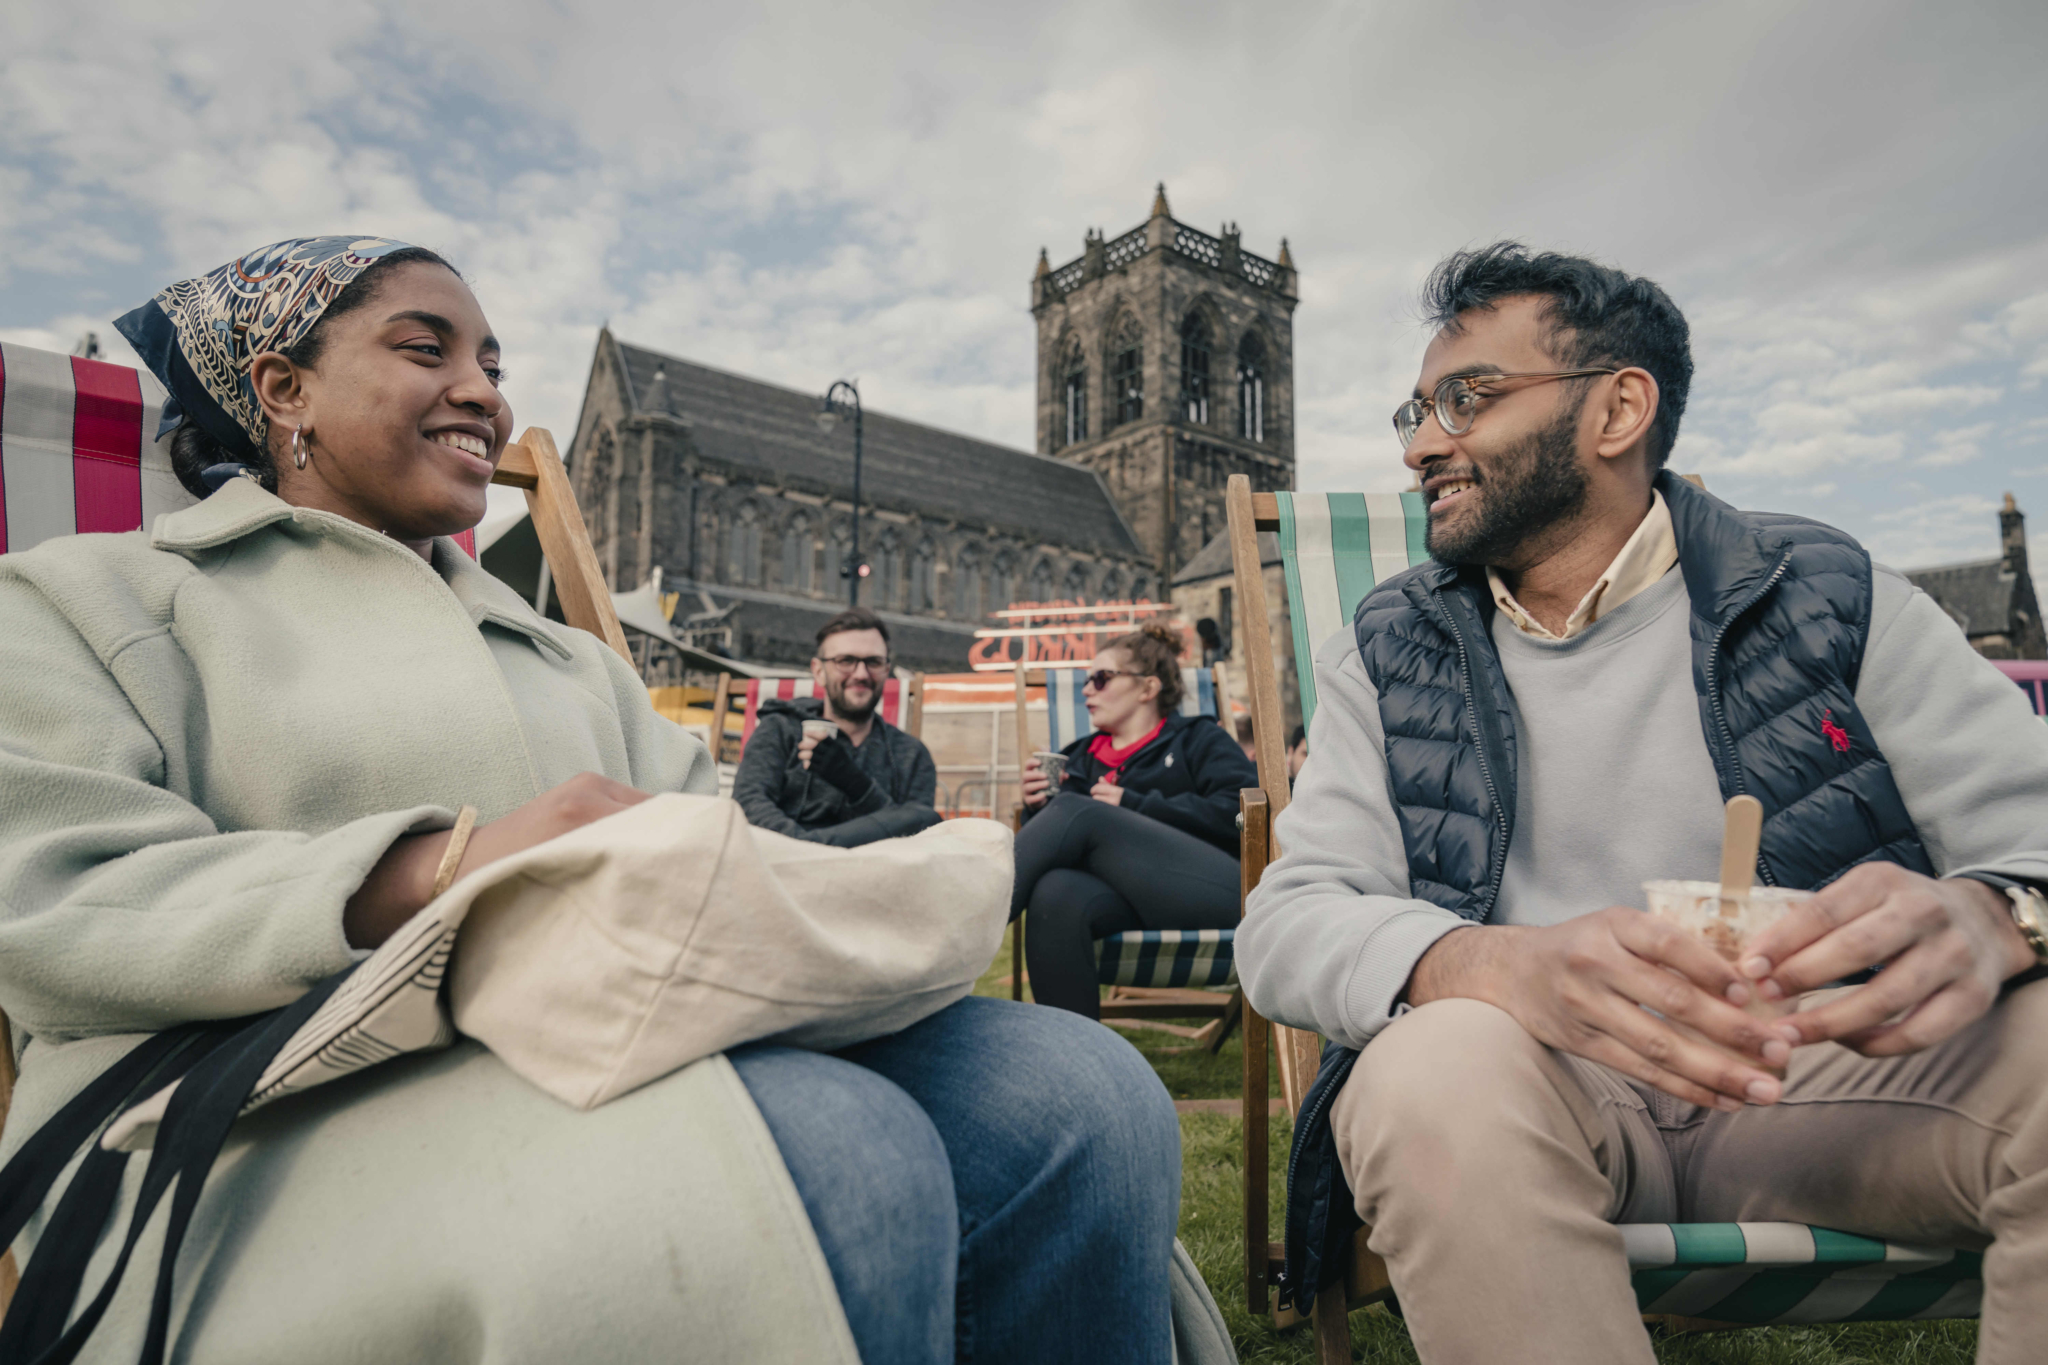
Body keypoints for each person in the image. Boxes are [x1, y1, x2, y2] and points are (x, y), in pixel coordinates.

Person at [0, 238, 1183, 1364]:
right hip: (238, 1112)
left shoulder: (563, 650)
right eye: (428, 350)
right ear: (281, 388)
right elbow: (54, 899)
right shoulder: (88, 600)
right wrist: (447, 866)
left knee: (1082, 1094)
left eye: (495, 366)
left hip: (613, 1041)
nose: (485, 393)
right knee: (830, 1147)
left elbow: (708, 860)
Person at [1238, 242, 2048, 1364]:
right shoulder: (1386, 650)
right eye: (1414, 410)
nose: (1423, 442)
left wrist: (1998, 916)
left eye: (1465, 398)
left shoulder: (1829, 597)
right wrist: (1489, 967)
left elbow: (2032, 838)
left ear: (1616, 408)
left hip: (1821, 1074)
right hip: (1532, 1088)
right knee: (1428, 1065)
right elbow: (1287, 922)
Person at [1012, 624, 1258, 1018]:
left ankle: (965, 923)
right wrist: (1034, 807)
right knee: (1054, 892)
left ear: (1148, 688)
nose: (1086, 690)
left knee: (1081, 812)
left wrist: (1136, 804)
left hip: (1216, 890)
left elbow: (1244, 810)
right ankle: (1074, 1062)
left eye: (1101, 678)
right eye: (1086, 680)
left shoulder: (1199, 739)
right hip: (1125, 902)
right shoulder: (1076, 759)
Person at [733, 608, 942, 847]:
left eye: (873, 662)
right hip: (785, 869)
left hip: (876, 874)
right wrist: (805, 848)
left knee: (926, 818)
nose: (861, 674)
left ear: (886, 670)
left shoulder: (911, 754)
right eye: (846, 661)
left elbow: (916, 835)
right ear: (819, 671)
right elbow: (749, 804)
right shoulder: (781, 728)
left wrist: (856, 784)